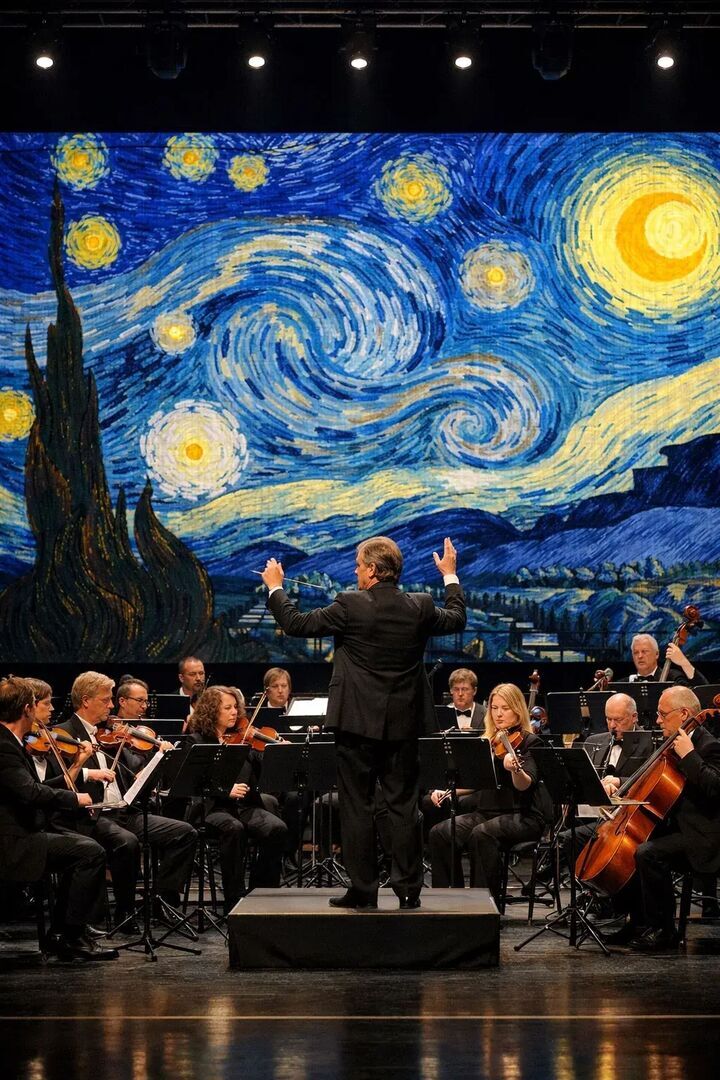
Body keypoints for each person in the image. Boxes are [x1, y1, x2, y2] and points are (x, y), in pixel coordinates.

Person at [262, 535, 466, 910]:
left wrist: (276, 586)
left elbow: (295, 623)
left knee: (357, 807)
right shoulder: (420, 605)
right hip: (404, 726)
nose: (355, 571)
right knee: (403, 807)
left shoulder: (349, 605)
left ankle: (364, 889)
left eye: (358, 565)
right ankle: (408, 889)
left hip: (356, 726)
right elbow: (457, 618)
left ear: (372, 569)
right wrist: (449, 575)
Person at [0, 675, 118, 961]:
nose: (50, 709)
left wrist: (72, 781)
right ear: (27, 709)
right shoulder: (4, 745)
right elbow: (29, 792)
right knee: (88, 852)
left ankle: (64, 932)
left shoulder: (11, 741)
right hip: (12, 842)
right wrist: (74, 798)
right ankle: (69, 936)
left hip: (23, 832)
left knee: (82, 847)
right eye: (41, 703)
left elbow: (34, 787)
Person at [428, 683, 552, 906]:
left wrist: (515, 769)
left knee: (482, 834)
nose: (498, 714)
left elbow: (525, 785)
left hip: (522, 815)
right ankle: (450, 901)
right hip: (488, 811)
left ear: (517, 710)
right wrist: (448, 790)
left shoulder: (530, 741)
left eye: (505, 708)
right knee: (441, 833)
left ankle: (484, 906)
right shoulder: (488, 741)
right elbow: (477, 781)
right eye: (494, 708)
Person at [625, 686, 720, 951]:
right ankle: (639, 922)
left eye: (663, 714)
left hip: (704, 836)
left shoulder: (709, 746)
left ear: (684, 714)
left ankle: (664, 931)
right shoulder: (672, 743)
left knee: (648, 853)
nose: (657, 720)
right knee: (630, 844)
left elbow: (715, 788)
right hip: (680, 829)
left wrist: (689, 755)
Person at [185, 686, 288, 911]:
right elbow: (193, 782)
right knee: (234, 829)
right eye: (227, 708)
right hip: (212, 808)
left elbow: (263, 770)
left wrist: (279, 751)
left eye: (235, 707)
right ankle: (235, 897)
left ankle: (261, 892)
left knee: (277, 829)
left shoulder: (244, 739)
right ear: (212, 711)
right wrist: (224, 789)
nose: (234, 712)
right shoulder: (196, 741)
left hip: (244, 806)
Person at [622, 634, 707, 687]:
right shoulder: (625, 683)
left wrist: (684, 662)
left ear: (657, 654)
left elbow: (703, 691)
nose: (640, 656)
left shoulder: (673, 677)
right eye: (636, 652)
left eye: (645, 651)